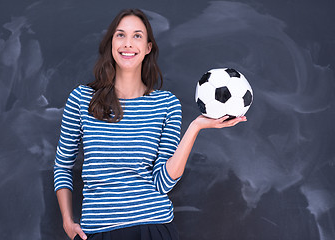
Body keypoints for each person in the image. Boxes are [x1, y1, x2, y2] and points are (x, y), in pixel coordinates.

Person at [54, 8, 246, 240]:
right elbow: (63, 166)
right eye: (120, 35)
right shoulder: (81, 98)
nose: (128, 43)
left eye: (137, 36)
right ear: (110, 43)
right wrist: (67, 221)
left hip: (152, 229)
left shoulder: (166, 104)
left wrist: (195, 127)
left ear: (147, 48)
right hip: (98, 230)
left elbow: (162, 183)